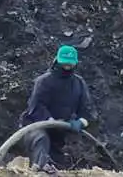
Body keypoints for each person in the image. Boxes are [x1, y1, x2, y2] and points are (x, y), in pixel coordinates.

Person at [19, 44, 95, 173]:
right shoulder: (44, 81)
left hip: (58, 135)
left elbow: (88, 111)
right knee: (41, 140)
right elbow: (36, 107)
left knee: (58, 166)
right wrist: (50, 120)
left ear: (75, 64)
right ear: (57, 61)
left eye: (70, 65)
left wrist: (80, 122)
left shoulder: (79, 84)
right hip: (35, 129)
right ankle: (40, 170)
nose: (67, 67)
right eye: (64, 64)